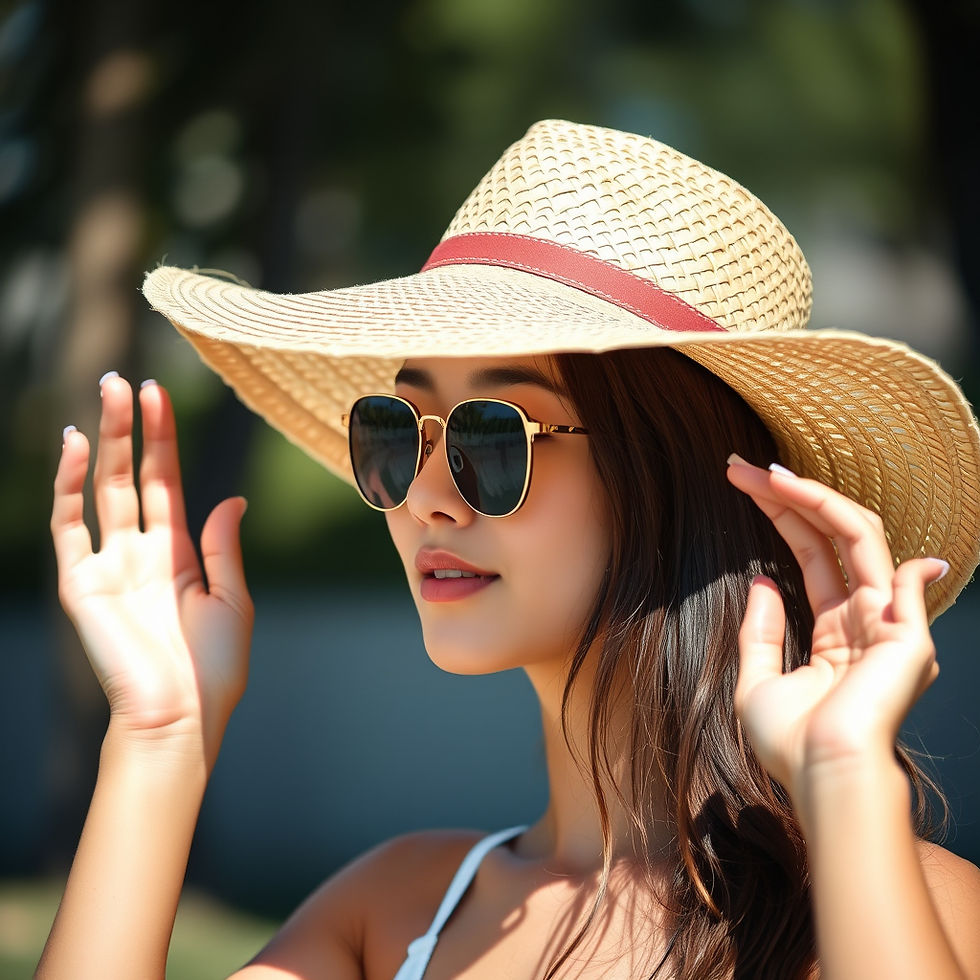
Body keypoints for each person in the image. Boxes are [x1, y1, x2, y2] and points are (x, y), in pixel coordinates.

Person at [38, 120, 980, 979]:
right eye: (396, 432)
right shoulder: (395, 912)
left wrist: (850, 781)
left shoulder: (896, 901)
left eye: (494, 435)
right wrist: (160, 738)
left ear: (681, 481)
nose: (426, 497)